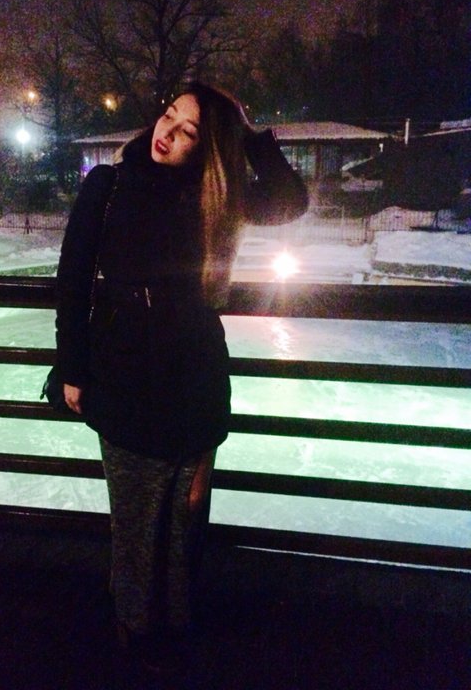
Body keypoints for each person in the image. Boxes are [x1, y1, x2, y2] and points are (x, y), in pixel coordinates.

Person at [55, 82, 307, 671]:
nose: (166, 132)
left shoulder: (216, 195)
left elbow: (290, 201)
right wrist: (72, 366)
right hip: (125, 372)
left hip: (195, 374)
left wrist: (246, 134)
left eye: (188, 130)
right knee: (136, 515)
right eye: (169, 115)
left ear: (207, 147)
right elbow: (73, 280)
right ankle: (134, 627)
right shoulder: (109, 186)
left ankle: (175, 622)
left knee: (186, 517)